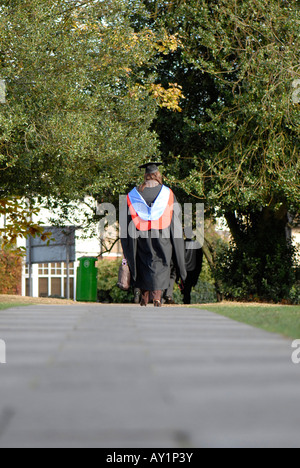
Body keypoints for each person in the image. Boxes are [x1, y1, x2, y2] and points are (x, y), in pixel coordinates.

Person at [121, 162, 187, 307]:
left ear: (145, 176)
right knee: (161, 263)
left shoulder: (134, 194)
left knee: (143, 262)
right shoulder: (167, 193)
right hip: (162, 234)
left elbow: (126, 220)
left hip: (140, 234)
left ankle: (144, 297)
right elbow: (175, 219)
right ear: (158, 175)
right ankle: (157, 297)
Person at [182, 239, 203, 304]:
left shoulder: (182, 244)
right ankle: (186, 300)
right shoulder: (197, 245)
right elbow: (199, 260)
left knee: (186, 288)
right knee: (188, 288)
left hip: (184, 269)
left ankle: (186, 299)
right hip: (192, 269)